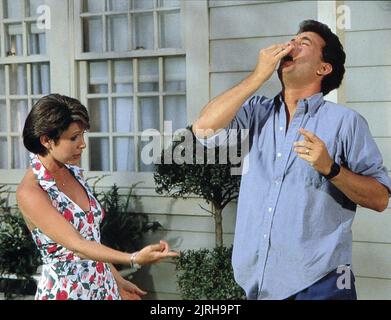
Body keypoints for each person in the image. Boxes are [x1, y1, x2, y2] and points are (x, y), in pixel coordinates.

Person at [192, 20, 391, 300]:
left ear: (324, 68)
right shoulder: (254, 112)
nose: (291, 45)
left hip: (321, 284)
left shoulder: (346, 123)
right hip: (258, 284)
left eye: (303, 43)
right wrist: (256, 77)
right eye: (292, 40)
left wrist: (331, 169)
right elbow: (203, 129)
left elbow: (380, 198)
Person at [16, 94, 179, 300]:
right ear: (46, 140)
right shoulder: (31, 191)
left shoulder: (73, 170)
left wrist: (117, 280)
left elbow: (91, 239)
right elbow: (78, 246)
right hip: (68, 293)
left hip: (103, 288)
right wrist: (134, 258)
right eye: (74, 137)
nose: (82, 144)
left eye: (82, 135)